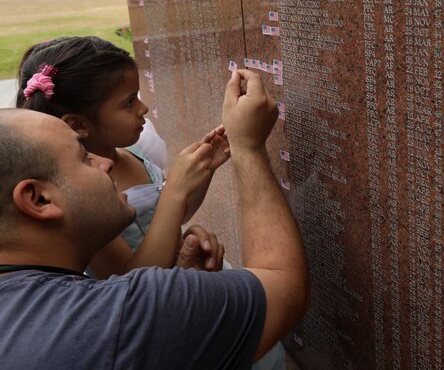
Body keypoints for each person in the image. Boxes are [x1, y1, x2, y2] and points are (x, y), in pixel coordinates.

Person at [0, 68, 308, 368]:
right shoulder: (115, 320)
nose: (104, 163)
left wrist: (178, 285)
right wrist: (248, 147)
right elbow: (284, 287)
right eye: (83, 156)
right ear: (39, 199)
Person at [16, 36, 228, 275]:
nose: (143, 109)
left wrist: (205, 167)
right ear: (77, 124)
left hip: (182, 275)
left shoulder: (135, 152)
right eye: (129, 102)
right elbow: (127, 282)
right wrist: (176, 189)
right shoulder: (81, 198)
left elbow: (176, 214)